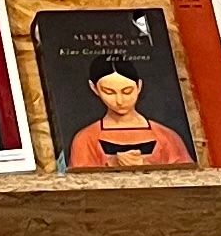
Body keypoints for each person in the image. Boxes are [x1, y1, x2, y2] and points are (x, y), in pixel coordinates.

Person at [64, 59, 192, 172]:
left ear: (139, 86)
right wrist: (111, 164)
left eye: (127, 91)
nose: (119, 100)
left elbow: (188, 179)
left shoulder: (166, 137)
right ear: (94, 89)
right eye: (109, 92)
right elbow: (80, 185)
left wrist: (147, 165)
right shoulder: (86, 139)